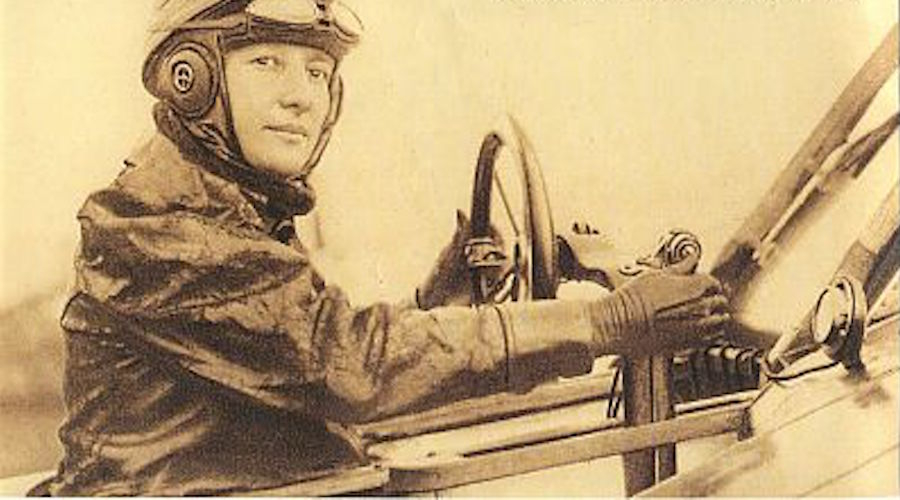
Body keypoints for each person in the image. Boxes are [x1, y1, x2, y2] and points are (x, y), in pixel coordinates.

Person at [34, 0, 730, 495]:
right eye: (267, 63)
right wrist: (605, 321)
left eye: (316, 72)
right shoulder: (157, 226)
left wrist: (436, 299)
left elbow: (298, 358)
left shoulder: (224, 207)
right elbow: (348, 367)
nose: (301, 97)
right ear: (191, 81)